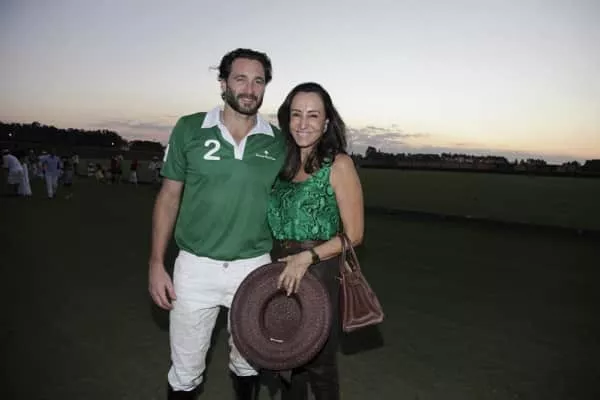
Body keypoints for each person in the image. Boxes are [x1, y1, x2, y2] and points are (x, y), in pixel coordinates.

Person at [148, 48, 286, 400]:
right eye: (241, 79)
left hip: (253, 267)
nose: (250, 89)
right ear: (223, 83)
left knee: (249, 362)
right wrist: (156, 262)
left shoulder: (279, 142)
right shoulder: (190, 128)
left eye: (258, 81)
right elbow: (169, 197)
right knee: (185, 372)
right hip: (196, 267)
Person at [266, 82, 364, 400]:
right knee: (287, 358)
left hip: (318, 271)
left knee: (319, 365)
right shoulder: (282, 165)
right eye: (296, 114)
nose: (303, 123)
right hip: (279, 269)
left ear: (326, 122)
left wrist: (306, 257)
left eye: (313, 115)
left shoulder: (338, 164)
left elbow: (354, 234)